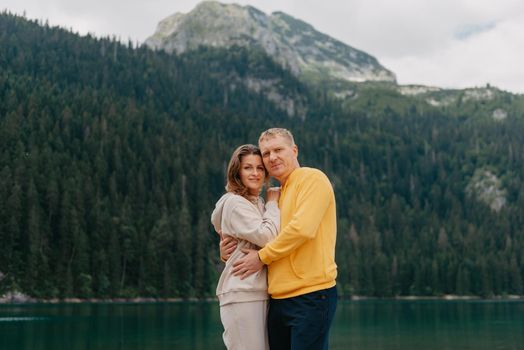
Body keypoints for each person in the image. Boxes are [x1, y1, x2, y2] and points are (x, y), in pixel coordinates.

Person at [230, 128, 338, 350]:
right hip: (277, 300)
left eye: (278, 149)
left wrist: (261, 257)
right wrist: (228, 250)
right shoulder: (276, 195)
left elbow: (301, 230)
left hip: (311, 295)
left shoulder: (312, 179)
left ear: (294, 150)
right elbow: (261, 235)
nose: (272, 157)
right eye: (266, 153)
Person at [211, 144, 281, 350]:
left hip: (258, 291)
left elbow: (219, 225)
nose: (255, 173)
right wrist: (273, 203)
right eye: (248, 167)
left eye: (260, 168)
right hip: (242, 292)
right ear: (237, 171)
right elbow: (268, 236)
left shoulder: (255, 202)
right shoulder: (235, 203)